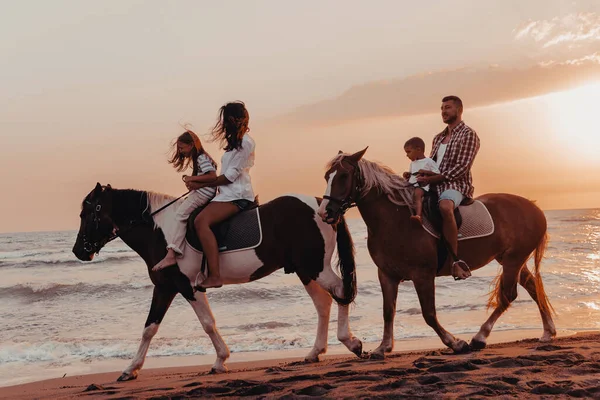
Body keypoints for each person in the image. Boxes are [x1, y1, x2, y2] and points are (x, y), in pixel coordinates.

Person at [186, 101, 256, 289]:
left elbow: (228, 178)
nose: (224, 123)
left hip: (236, 196)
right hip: (225, 194)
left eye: (226, 119)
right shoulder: (234, 143)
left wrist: (199, 181)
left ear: (234, 119)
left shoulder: (246, 143)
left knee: (201, 222)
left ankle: (215, 276)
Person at [417, 96, 480, 280]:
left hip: (456, 184)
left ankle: (455, 261)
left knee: (445, 206)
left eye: (448, 107)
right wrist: (420, 173)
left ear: (459, 110)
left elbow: (462, 167)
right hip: (435, 183)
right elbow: (432, 164)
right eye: (442, 108)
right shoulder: (438, 138)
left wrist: (434, 179)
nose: (444, 111)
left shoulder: (468, 134)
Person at [153, 130, 217, 271]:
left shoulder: (201, 158)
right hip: (202, 192)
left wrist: (191, 178)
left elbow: (212, 176)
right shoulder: (200, 158)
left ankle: (171, 254)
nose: (181, 151)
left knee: (180, 215)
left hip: (203, 194)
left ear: (191, 145)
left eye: (182, 148)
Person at [402, 137, 440, 225]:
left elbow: (437, 174)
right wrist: (407, 175)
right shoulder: (412, 163)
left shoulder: (428, 161)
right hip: (412, 185)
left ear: (418, 150)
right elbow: (411, 175)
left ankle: (418, 216)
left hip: (422, 186)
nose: (407, 155)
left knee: (417, 194)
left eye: (408, 152)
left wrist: (425, 172)